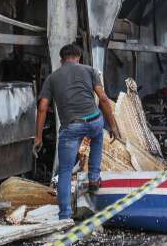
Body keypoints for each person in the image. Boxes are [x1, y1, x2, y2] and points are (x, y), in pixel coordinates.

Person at [34, 43, 122, 220]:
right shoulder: (90, 70)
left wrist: (38, 137)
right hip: (94, 120)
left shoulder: (52, 78)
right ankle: (94, 178)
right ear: (79, 57)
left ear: (61, 60)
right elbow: (103, 99)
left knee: (65, 170)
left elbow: (43, 107)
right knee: (97, 134)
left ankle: (65, 216)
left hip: (71, 126)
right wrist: (113, 125)